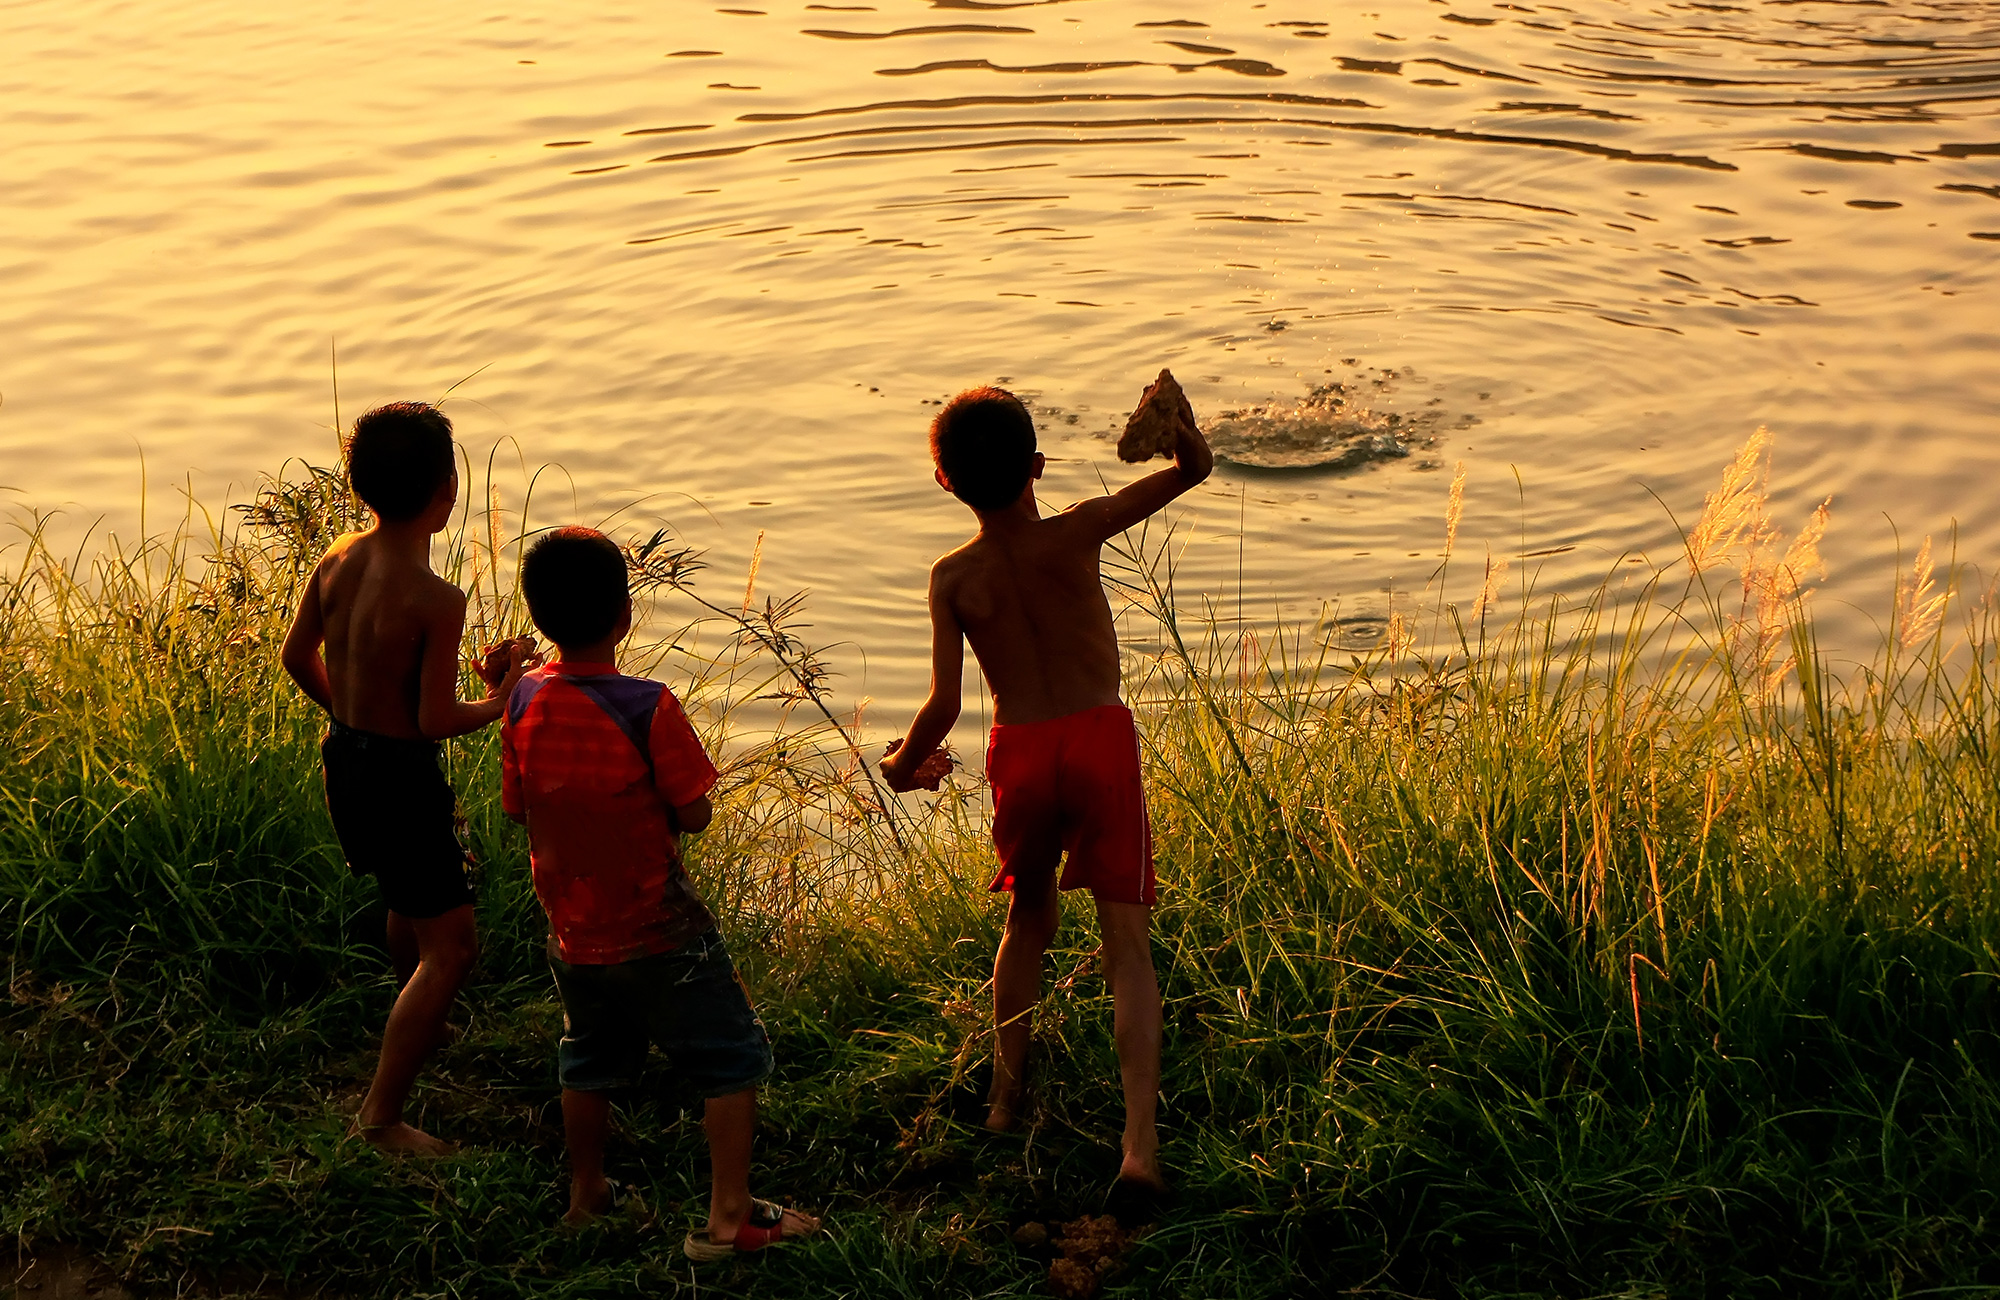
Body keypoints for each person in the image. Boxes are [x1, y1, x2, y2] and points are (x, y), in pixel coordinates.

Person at [878, 383, 1212, 1208]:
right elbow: (1193, 470)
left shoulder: (953, 577)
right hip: (1097, 742)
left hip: (1021, 753)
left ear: (945, 484)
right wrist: (1175, 424)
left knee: (1026, 920)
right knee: (1126, 948)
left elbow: (946, 707)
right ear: (1037, 467)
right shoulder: (1083, 527)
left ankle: (1002, 1100)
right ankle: (1139, 1148)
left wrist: (900, 763)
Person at [503, 526, 821, 1254]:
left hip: (571, 930)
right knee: (729, 1055)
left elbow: (518, 807)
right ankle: (728, 1217)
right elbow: (697, 813)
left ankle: (587, 1194)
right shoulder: (647, 706)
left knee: (587, 1056)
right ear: (624, 616)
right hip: (658, 926)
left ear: (540, 613)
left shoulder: (522, 701)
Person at [280, 400, 535, 1157]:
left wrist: (355, 720)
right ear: (445, 494)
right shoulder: (436, 598)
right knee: (452, 947)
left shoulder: (338, 556)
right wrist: (500, 698)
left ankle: (418, 1016)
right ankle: (382, 1119)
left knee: (404, 895)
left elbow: (297, 657)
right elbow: (430, 721)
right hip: (400, 776)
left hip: (347, 761)